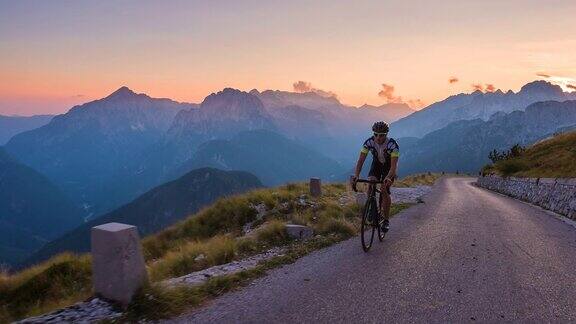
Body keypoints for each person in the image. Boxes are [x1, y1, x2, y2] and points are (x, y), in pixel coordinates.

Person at [351, 121, 399, 232]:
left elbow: (393, 167)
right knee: (371, 183)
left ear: (386, 134)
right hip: (376, 165)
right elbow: (360, 161)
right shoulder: (368, 143)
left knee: (384, 189)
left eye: (381, 135)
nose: (378, 137)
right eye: (376, 134)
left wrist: (388, 178)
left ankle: (386, 220)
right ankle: (372, 207)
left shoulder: (393, 145)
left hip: (389, 168)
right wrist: (356, 175)